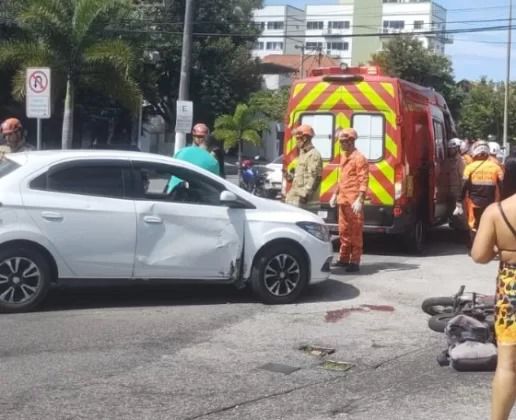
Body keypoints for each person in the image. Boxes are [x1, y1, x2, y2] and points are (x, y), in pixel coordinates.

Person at [471, 157, 516, 420]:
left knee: (508, 365)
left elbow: (479, 255)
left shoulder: (496, 211)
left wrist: (502, 250)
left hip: (511, 289)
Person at [330, 128, 369, 273]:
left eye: (343, 142)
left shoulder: (359, 158)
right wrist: (335, 194)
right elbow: (342, 179)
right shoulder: (344, 156)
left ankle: (355, 261)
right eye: (340, 142)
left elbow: (363, 179)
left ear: (351, 142)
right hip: (343, 200)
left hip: (353, 201)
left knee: (355, 232)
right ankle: (344, 258)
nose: (340, 144)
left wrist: (360, 199)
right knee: (344, 231)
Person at [455, 140, 504, 248]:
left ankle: (474, 247)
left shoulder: (470, 167)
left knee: (473, 225)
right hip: (490, 203)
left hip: (474, 203)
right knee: (488, 225)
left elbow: (464, 186)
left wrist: (459, 201)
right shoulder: (496, 168)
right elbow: (502, 187)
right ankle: (487, 247)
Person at [167, 123, 220, 193]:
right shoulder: (212, 161)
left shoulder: (180, 152)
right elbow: (216, 184)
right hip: (195, 199)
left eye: (201, 137)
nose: (199, 139)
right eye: (197, 136)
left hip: (173, 195)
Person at [285, 124, 323, 212]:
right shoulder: (303, 154)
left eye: (298, 139)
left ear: (305, 139)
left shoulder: (313, 155)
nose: (296, 142)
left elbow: (314, 178)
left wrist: (305, 195)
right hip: (296, 200)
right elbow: (301, 175)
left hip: (305, 204)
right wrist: (290, 177)